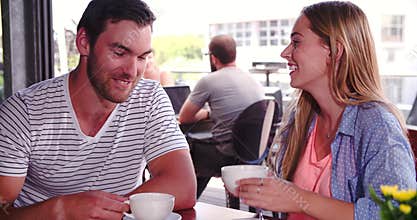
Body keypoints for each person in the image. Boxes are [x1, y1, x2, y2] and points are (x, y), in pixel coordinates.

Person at [0, 0, 196, 219]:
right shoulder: (24, 112)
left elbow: (183, 185)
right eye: (120, 52)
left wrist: (103, 210)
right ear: (84, 43)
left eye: (142, 57)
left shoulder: (149, 98)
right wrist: (61, 210)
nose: (132, 72)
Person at [237, 1, 416, 219]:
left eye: (296, 42)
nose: (285, 53)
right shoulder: (302, 116)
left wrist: (298, 199)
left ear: (334, 51)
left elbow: (398, 214)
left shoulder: (376, 124)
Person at [178, 34, 265, 198]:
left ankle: (186, 202)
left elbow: (184, 118)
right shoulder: (252, 80)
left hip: (226, 155)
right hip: (254, 153)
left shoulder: (209, 81)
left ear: (213, 58)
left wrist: (207, 114)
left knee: (188, 154)